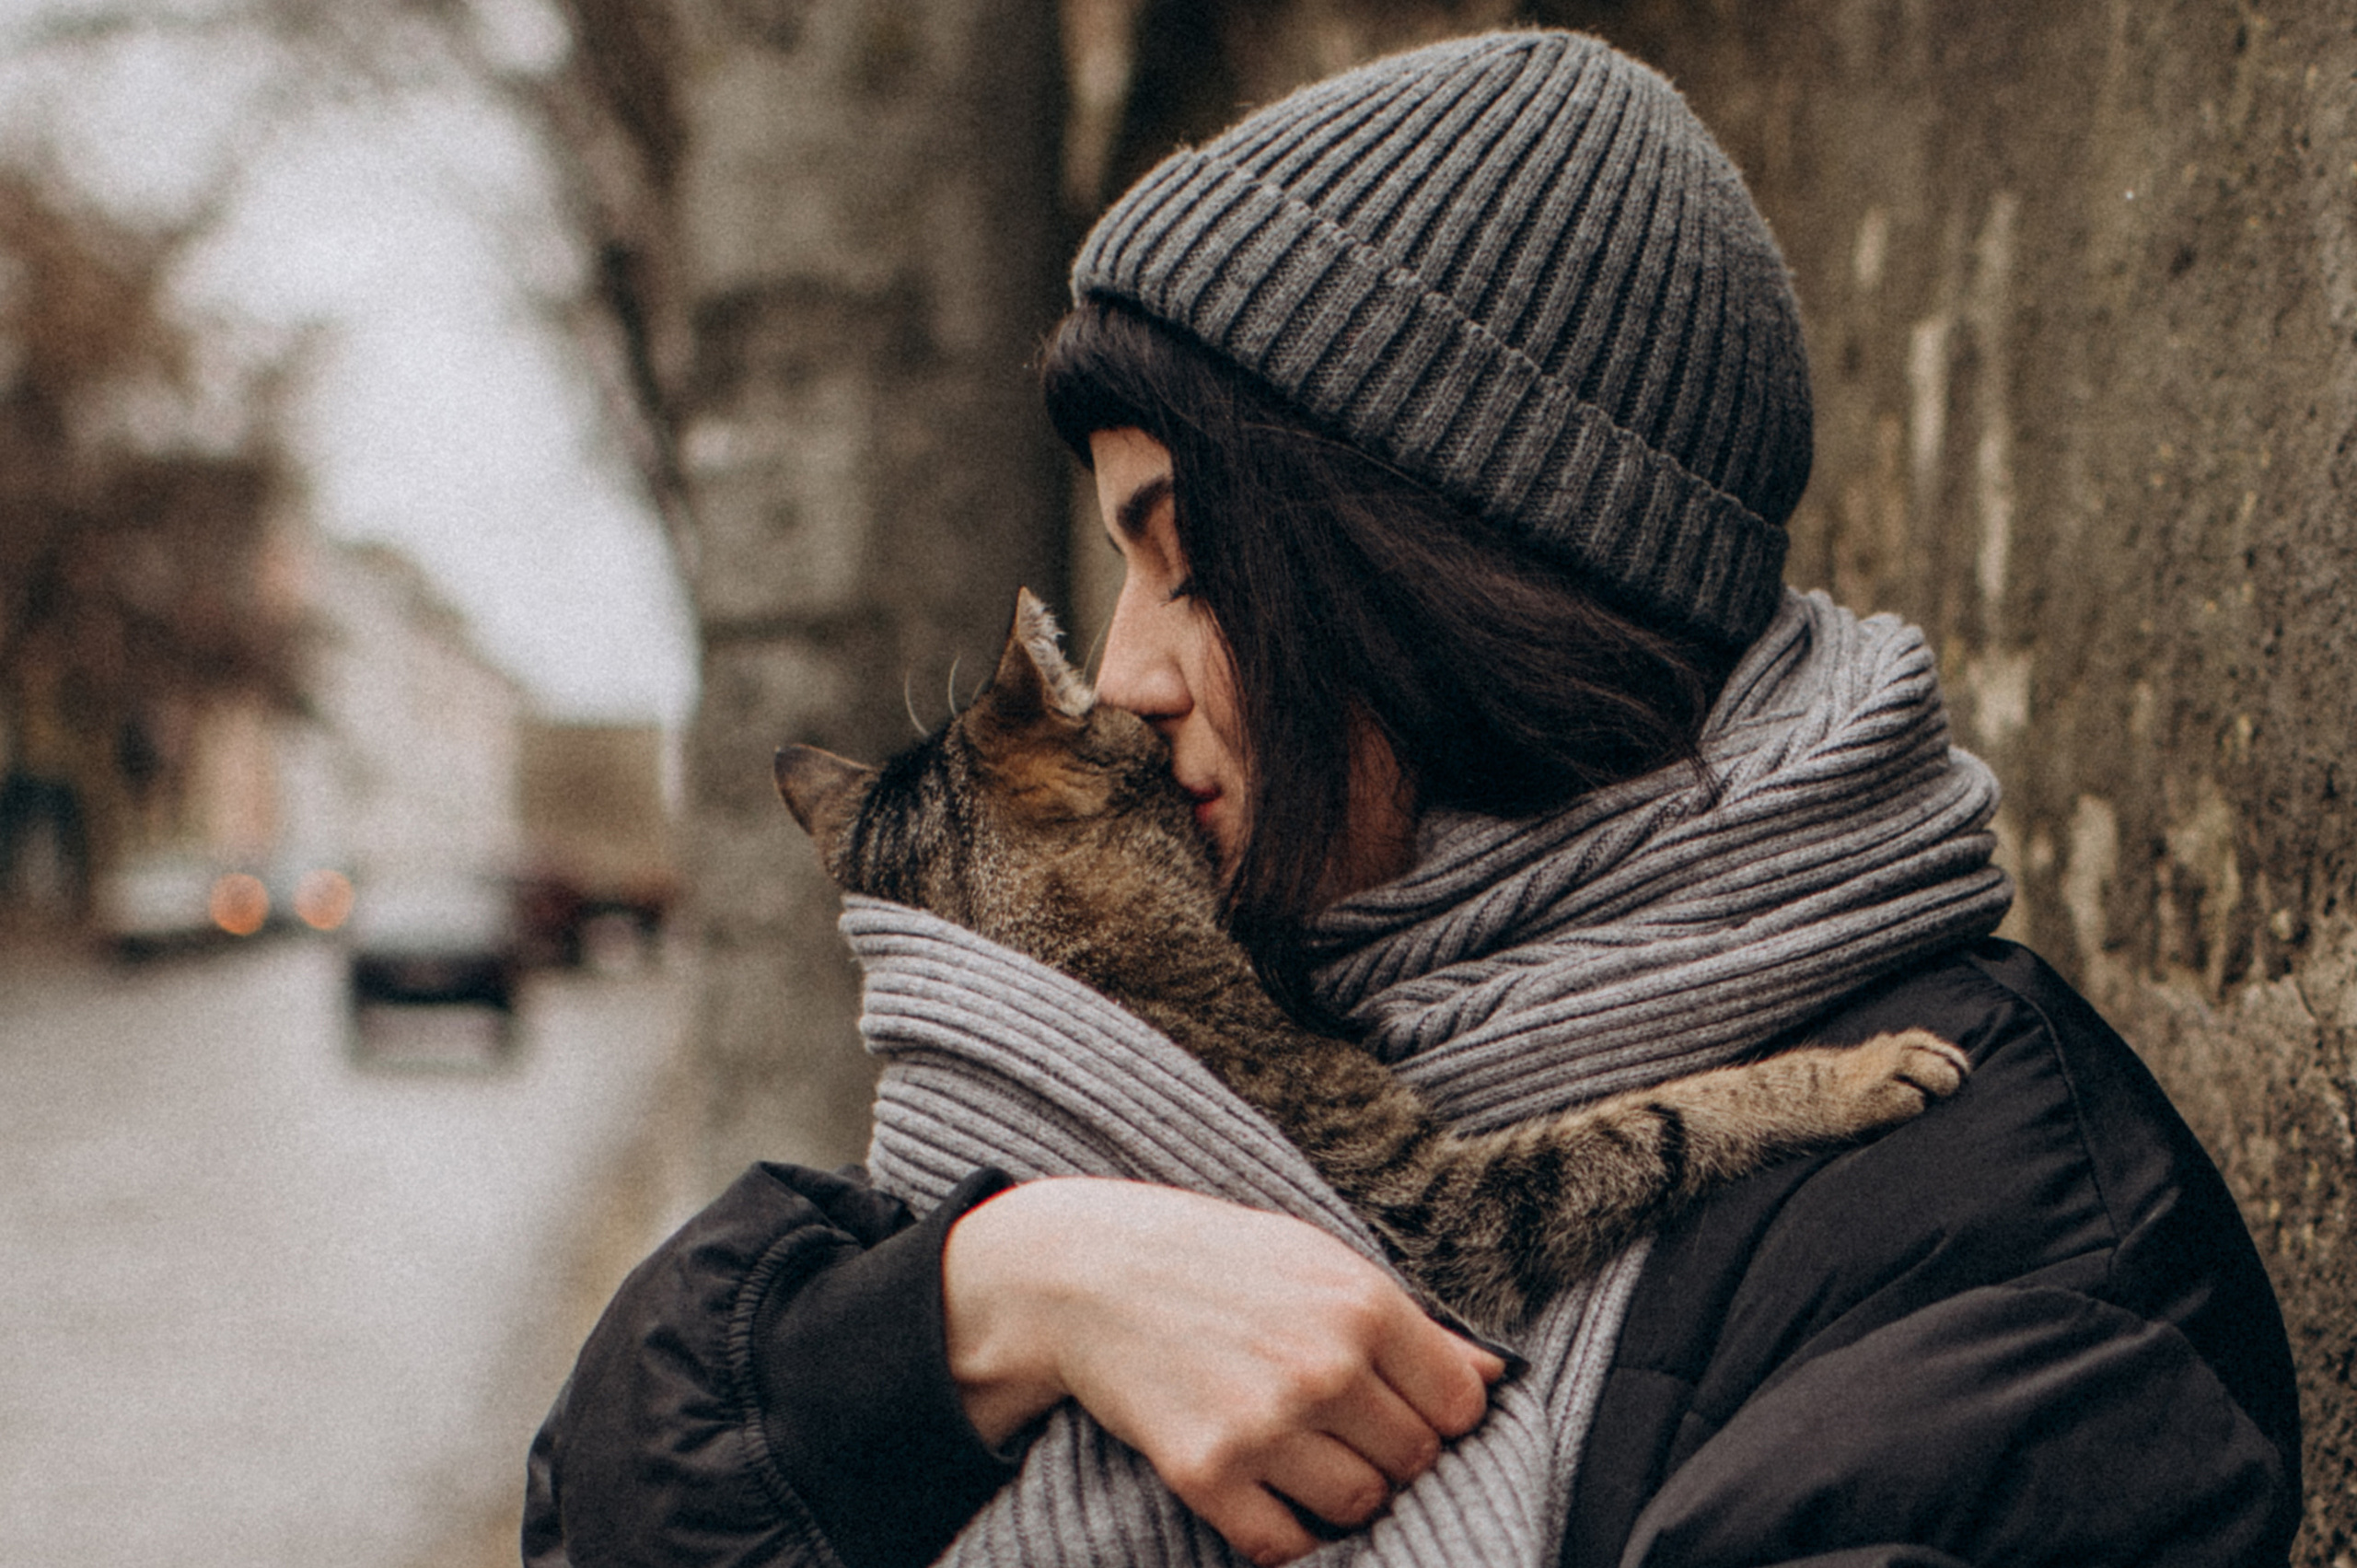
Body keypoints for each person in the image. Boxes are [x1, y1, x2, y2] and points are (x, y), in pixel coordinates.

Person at [524, 29, 2300, 1568]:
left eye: (1190, 567)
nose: (1131, 676)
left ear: (1435, 575)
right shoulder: (1184, 1044)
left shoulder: (2009, 1250)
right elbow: (608, 1502)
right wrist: (995, 1301)